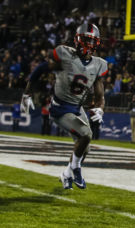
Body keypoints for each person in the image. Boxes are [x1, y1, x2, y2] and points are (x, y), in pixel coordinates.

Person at [21, 23, 107, 190]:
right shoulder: (66, 56)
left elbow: (100, 96)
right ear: (77, 40)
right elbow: (40, 69)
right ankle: (75, 168)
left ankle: (66, 174)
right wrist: (27, 93)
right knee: (86, 134)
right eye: (86, 40)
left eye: (92, 41)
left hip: (77, 107)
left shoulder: (99, 65)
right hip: (60, 108)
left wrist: (100, 108)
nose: (89, 45)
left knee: (85, 148)